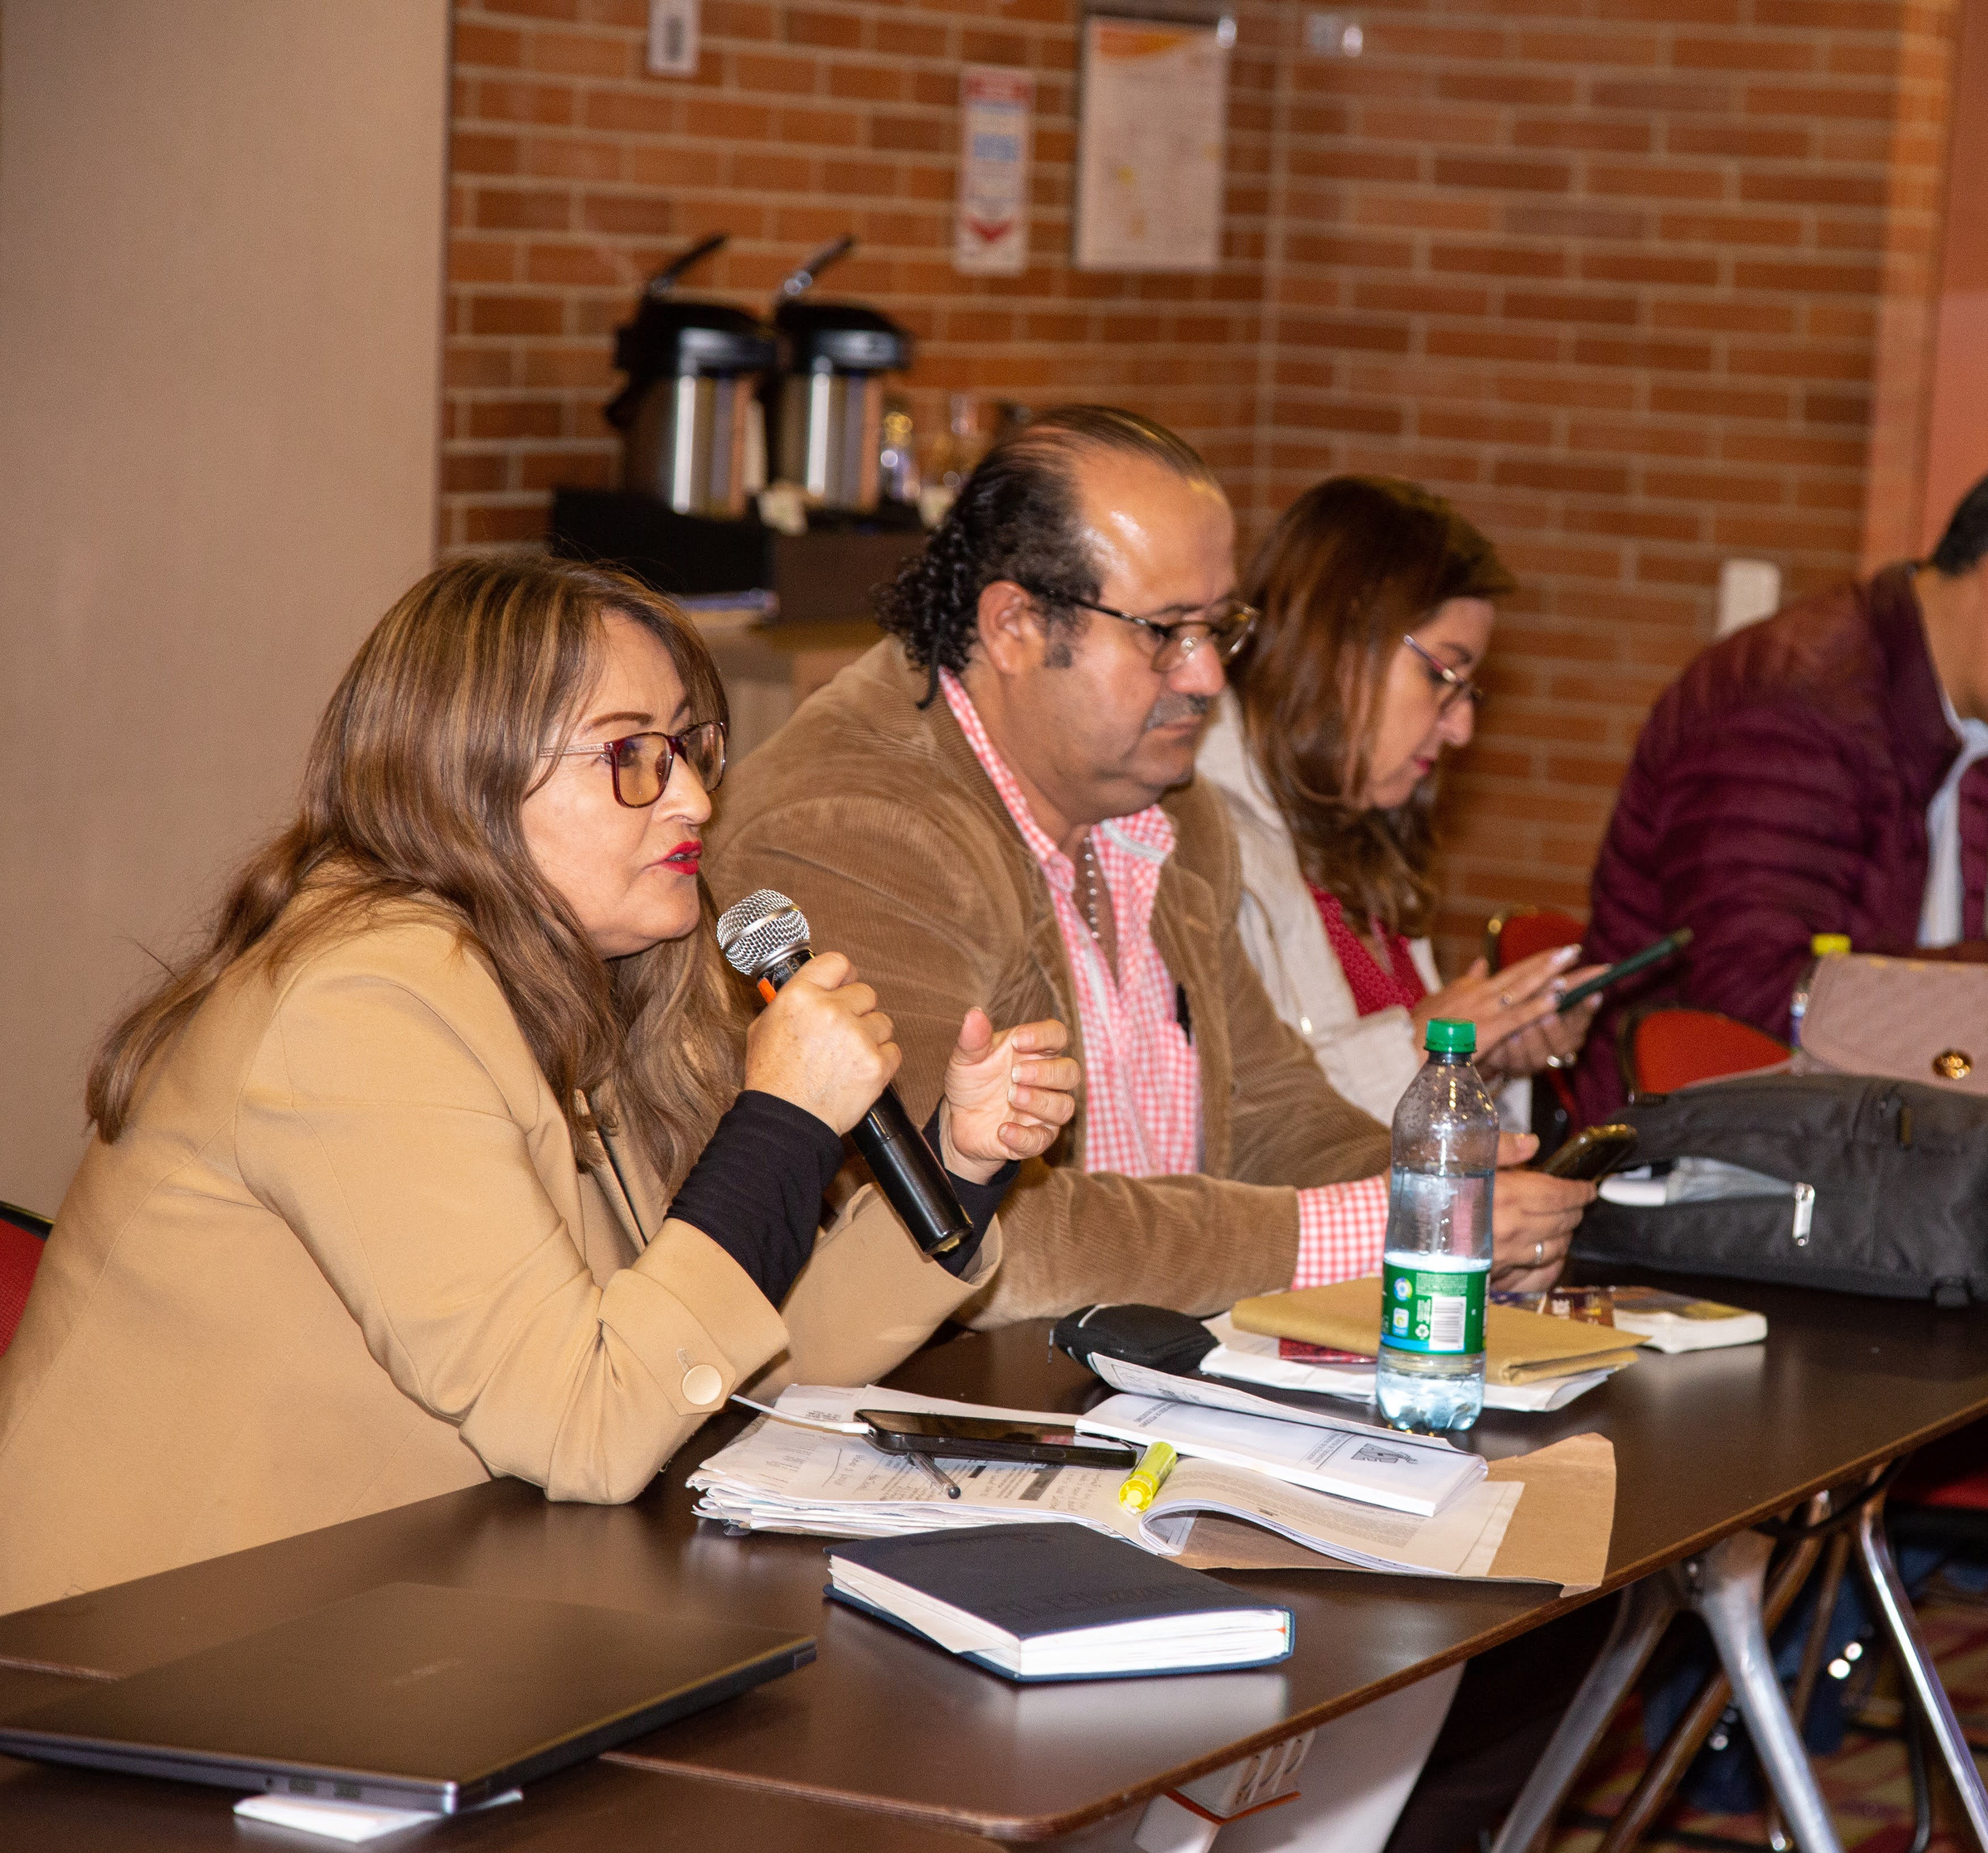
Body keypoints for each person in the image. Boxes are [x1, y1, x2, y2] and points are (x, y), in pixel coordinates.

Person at [0, 557, 1078, 1612]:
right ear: (467, 774)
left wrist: (957, 1161)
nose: (695, 797)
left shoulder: (576, 989)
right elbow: (591, 1425)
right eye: (632, 755)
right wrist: (784, 1123)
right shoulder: (366, 999)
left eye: (694, 748)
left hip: (383, 1620)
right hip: (122, 1675)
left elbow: (709, 1370)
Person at [711, 407, 1598, 1326]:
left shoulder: (1173, 810)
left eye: (1219, 629)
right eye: (1165, 631)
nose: (1208, 677)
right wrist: (1382, 1223)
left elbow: (1269, 1110)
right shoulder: (855, 828)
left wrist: (1435, 1195)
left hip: (1127, 1387)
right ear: (1014, 625)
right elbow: (979, 1237)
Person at [1574, 434, 1988, 1118]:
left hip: (1848, 1130)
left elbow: (1906, 964)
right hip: (1697, 1151)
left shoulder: (1972, 723)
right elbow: (1756, 998)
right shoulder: (1793, 702)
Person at [1203, 474, 1601, 1131]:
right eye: (1441, 675)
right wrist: (1422, 1045)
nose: (1461, 728)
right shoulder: (1197, 839)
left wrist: (1489, 1054)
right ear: (1339, 642)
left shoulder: (1365, 833)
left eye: (1470, 690)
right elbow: (1233, 1126)